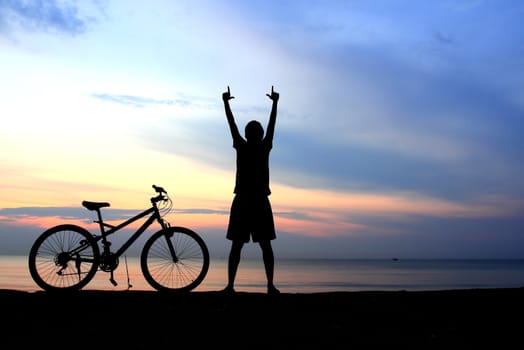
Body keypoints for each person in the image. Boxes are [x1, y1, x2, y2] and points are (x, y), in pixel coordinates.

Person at [222, 85, 280, 295]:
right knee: (263, 246)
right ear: (260, 134)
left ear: (247, 134)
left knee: (238, 246)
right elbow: (272, 125)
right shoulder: (262, 147)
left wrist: (226, 104)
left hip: (245, 201)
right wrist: (275, 104)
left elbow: (232, 124)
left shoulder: (244, 145)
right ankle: (269, 285)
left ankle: (231, 286)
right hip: (256, 201)